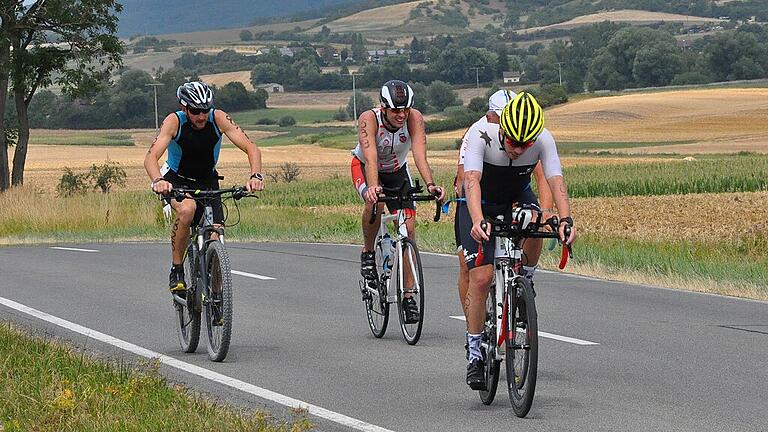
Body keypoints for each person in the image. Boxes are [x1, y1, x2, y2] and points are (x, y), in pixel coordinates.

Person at [458, 91, 576, 390]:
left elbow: (555, 180)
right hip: (479, 202)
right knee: (482, 278)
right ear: (503, 131)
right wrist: (476, 220)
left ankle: (526, 275)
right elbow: (471, 181)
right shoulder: (480, 133)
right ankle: (474, 353)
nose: (518, 149)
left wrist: (565, 220)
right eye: (512, 142)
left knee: (537, 221)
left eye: (526, 144)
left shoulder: (544, 139)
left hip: (514, 196)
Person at [144, 81, 265, 293]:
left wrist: (255, 175)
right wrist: (157, 181)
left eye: (205, 110)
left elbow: (250, 147)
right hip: (176, 180)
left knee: (216, 233)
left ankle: (218, 296)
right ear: (184, 108)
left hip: (208, 181)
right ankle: (177, 269)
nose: (201, 116)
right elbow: (151, 157)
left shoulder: (218, 118)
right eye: (195, 111)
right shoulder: (174, 121)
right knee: (187, 210)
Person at [351, 79, 446, 323]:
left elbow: (420, 156)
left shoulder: (415, 118)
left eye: (405, 109)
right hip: (365, 167)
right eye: (396, 110)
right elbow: (370, 157)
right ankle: (368, 253)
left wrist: (431, 184)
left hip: (397, 172)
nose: (402, 115)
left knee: (409, 230)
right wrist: (373, 188)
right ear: (383, 107)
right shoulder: (368, 119)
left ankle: (408, 297)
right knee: (377, 203)